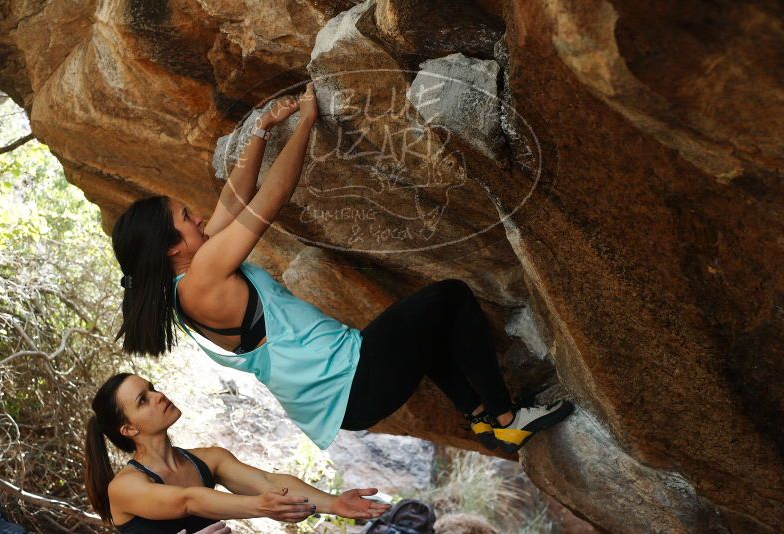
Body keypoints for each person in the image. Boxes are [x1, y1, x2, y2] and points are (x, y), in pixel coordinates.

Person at [111, 81, 573, 454]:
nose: (196, 216)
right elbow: (268, 200)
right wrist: (306, 122)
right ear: (172, 248)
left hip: (345, 391)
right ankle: (508, 419)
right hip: (352, 380)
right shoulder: (204, 275)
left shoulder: (183, 287)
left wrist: (261, 132)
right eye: (185, 218)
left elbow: (232, 200)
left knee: (424, 335)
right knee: (449, 298)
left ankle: (479, 417)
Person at [84, 372, 390, 533]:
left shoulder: (209, 458)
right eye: (143, 400)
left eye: (152, 388)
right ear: (129, 429)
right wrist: (260, 507)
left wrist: (333, 503)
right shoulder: (124, 488)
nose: (158, 395)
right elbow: (187, 500)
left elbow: (268, 481)